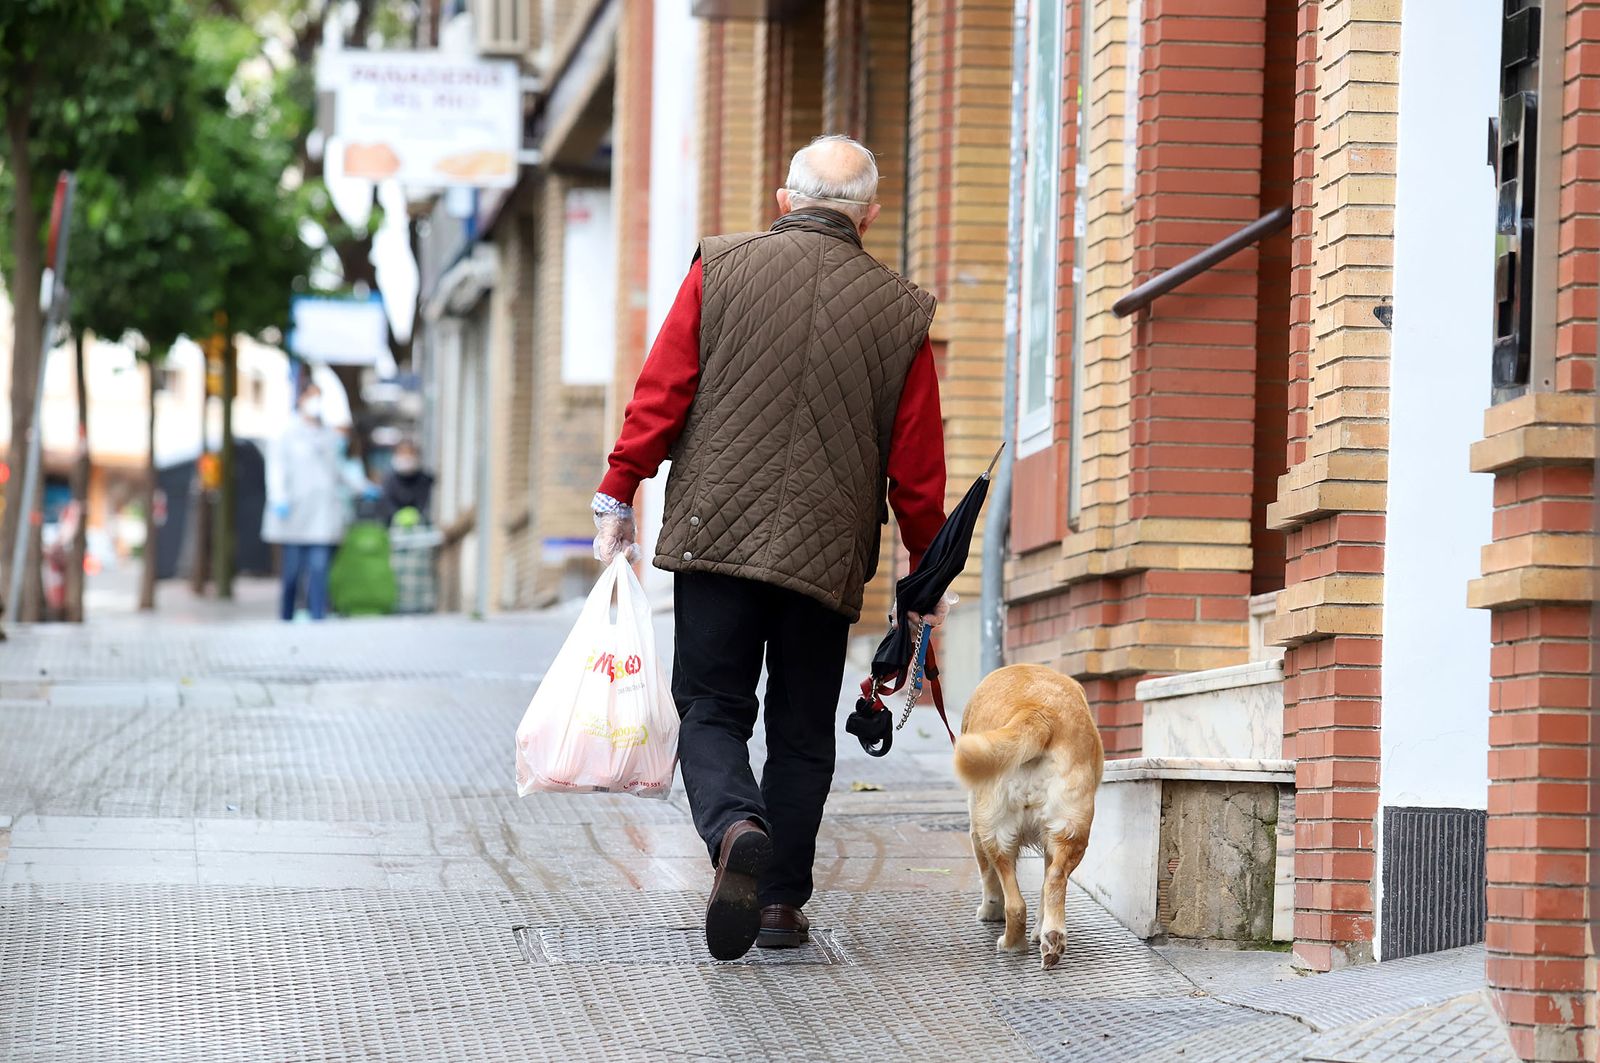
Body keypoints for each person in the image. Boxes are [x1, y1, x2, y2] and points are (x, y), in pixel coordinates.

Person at [592, 134, 950, 961]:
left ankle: (733, 827)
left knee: (712, 706)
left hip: (717, 535)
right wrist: (923, 579)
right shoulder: (901, 312)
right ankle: (782, 900)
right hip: (823, 557)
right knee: (798, 728)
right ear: (869, 212)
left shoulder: (718, 266)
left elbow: (663, 390)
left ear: (784, 201)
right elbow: (918, 470)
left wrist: (620, 490)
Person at [262, 383, 349, 621]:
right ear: (300, 400)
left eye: (319, 397)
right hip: (293, 513)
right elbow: (276, 470)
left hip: (322, 513)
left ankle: (317, 616)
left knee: (319, 568)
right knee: (291, 573)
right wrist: (278, 497)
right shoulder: (287, 433)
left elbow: (338, 471)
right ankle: (286, 617)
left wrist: (361, 485)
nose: (315, 403)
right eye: (311, 397)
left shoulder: (329, 436)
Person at [379, 439, 434, 525]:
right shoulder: (389, 479)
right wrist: (397, 516)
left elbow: (423, 505)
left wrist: (414, 517)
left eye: (410, 453)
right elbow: (386, 503)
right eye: (403, 453)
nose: (406, 457)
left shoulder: (424, 479)